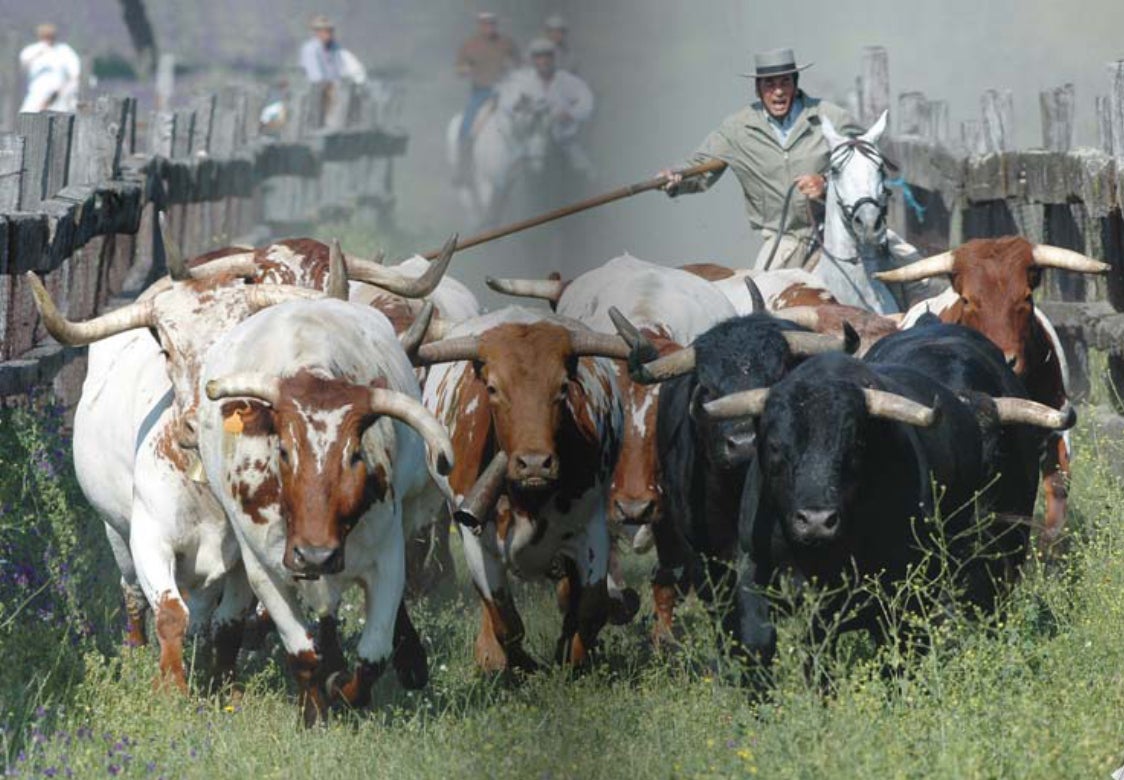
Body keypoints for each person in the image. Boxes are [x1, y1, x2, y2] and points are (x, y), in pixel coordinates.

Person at [661, 48, 863, 270]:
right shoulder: (737, 128)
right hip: (786, 241)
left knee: (901, 266)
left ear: (795, 85)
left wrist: (827, 184)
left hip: (841, 229)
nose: (778, 92)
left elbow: (868, 163)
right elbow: (698, 169)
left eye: (785, 82)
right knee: (762, 296)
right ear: (758, 89)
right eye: (769, 84)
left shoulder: (831, 117)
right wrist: (674, 179)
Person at [499, 38, 594, 179]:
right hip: (528, 140)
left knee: (586, 171)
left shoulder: (567, 81)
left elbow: (587, 102)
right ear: (533, 60)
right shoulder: (523, 81)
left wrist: (570, 114)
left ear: (553, 58)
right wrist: (521, 107)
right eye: (538, 57)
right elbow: (507, 103)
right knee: (506, 175)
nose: (543, 61)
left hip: (563, 140)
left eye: (547, 56)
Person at [455, 12, 520, 145]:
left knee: (522, 116)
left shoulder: (506, 42)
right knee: (469, 117)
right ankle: (464, 149)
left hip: (505, 90)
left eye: (492, 24)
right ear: (479, 25)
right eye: (485, 24)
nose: (489, 27)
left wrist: (514, 69)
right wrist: (465, 69)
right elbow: (459, 67)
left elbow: (520, 62)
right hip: (481, 91)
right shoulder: (470, 44)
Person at [19, 23, 81, 113]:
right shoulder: (31, 50)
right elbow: (23, 64)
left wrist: (63, 92)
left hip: (59, 100)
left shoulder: (65, 51)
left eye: (50, 36)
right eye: (45, 36)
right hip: (36, 98)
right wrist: (40, 51)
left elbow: (75, 75)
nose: (48, 38)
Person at [299, 15, 367, 85]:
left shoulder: (337, 49)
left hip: (337, 88)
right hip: (317, 89)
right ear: (316, 32)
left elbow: (352, 70)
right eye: (322, 30)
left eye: (329, 30)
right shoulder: (310, 49)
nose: (326, 34)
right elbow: (314, 75)